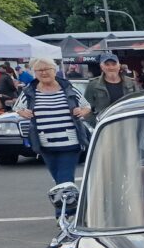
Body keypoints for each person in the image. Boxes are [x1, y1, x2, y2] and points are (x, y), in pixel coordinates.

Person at [13, 57, 92, 199]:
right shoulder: (29, 91)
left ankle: (64, 210)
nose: (44, 73)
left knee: (65, 181)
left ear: (54, 70)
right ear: (35, 73)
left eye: (47, 69)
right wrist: (23, 113)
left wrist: (81, 111)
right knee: (58, 180)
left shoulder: (68, 88)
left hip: (70, 143)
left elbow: (87, 106)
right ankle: (71, 207)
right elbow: (18, 108)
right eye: (39, 70)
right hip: (45, 144)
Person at [83, 53, 138, 124]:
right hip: (107, 127)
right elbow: (85, 109)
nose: (111, 67)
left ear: (119, 66)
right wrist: (97, 124)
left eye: (114, 64)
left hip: (129, 125)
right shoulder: (93, 85)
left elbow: (139, 104)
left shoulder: (131, 83)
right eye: (107, 64)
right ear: (102, 67)